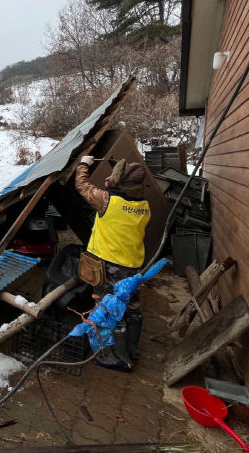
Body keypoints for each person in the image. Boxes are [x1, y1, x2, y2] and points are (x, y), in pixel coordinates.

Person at [76, 155, 151, 373]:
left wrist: (84, 164)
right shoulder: (144, 205)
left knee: (113, 312)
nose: (107, 178)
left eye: (113, 176)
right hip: (134, 268)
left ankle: (118, 358)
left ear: (119, 183)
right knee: (133, 309)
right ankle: (132, 351)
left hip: (111, 268)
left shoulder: (107, 201)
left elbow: (82, 185)